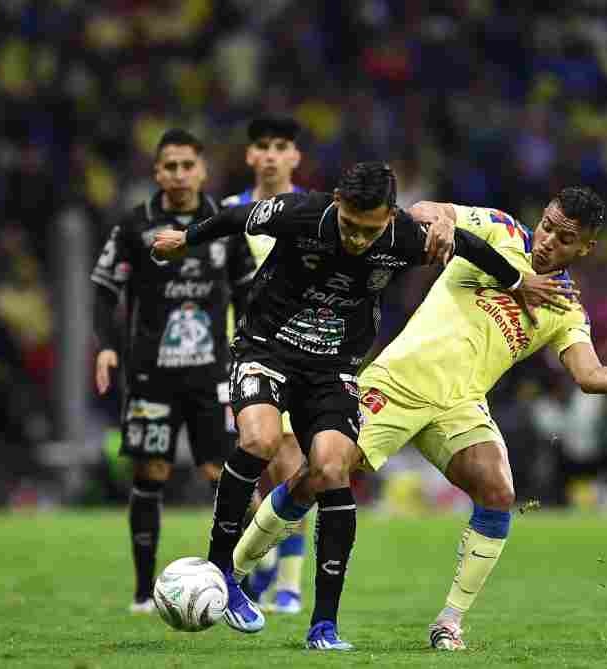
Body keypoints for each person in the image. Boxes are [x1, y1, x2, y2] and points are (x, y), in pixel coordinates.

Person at [231, 187, 607, 650]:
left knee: (498, 490)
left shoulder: (565, 309)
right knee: (319, 474)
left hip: (459, 406)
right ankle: (232, 573)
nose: (547, 240)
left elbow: (587, 372)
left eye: (564, 238)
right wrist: (440, 223)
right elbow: (426, 211)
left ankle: (449, 622)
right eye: (547, 225)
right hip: (396, 384)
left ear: (585, 248)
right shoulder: (499, 231)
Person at [152, 161, 568, 648]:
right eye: (349, 225)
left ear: (390, 216)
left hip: (333, 369)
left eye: (368, 230)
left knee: (332, 469)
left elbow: (473, 248)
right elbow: (237, 218)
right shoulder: (301, 212)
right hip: (267, 347)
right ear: (335, 202)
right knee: (261, 438)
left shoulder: (404, 237)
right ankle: (222, 570)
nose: (355, 239)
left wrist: (518, 284)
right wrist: (186, 238)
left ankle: (323, 626)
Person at [91, 128, 256, 614]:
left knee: (222, 474)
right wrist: (106, 346)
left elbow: (248, 293)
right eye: (171, 166)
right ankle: (144, 592)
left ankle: (240, 579)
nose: (180, 174)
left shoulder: (224, 224)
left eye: (188, 165)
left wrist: (252, 346)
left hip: (213, 375)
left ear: (202, 170)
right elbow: (104, 289)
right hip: (151, 374)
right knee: (152, 471)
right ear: (157, 171)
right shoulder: (133, 226)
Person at [221, 116, 308, 614]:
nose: (272, 155)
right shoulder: (229, 214)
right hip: (240, 356)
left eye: (282, 147)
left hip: (298, 352)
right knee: (239, 469)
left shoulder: (312, 211)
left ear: (294, 156)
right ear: (250, 156)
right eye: (262, 147)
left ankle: (289, 586)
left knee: (293, 468)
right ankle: (264, 556)